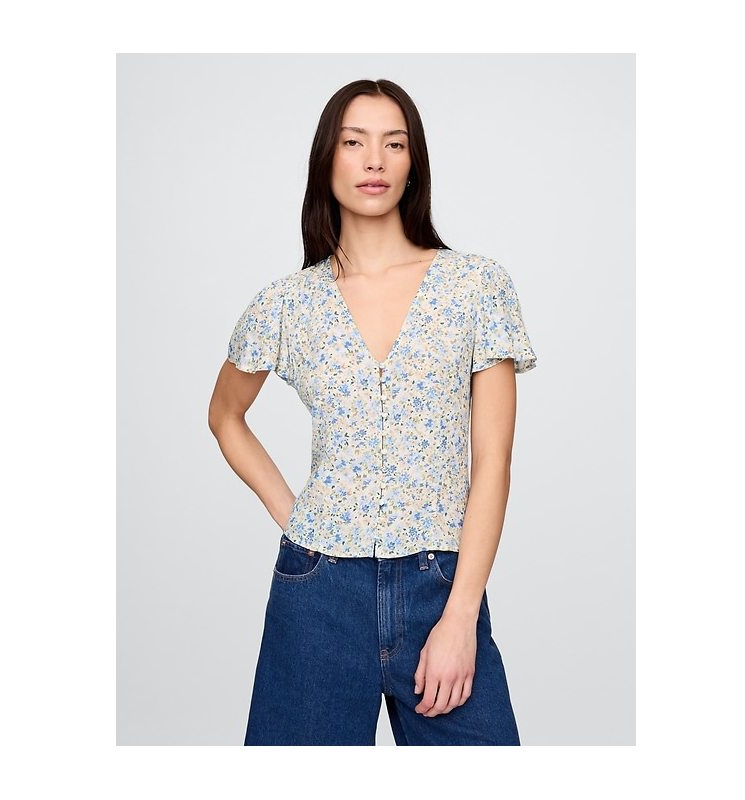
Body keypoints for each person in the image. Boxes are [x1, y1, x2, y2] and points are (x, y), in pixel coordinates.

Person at [208, 78, 537, 747]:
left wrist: (460, 617)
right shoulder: (288, 303)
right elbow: (225, 416)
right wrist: (296, 516)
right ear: (327, 159)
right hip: (319, 594)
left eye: (395, 143)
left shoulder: (476, 286)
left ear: (414, 163)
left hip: (439, 585)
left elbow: (493, 461)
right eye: (354, 142)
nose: (375, 161)